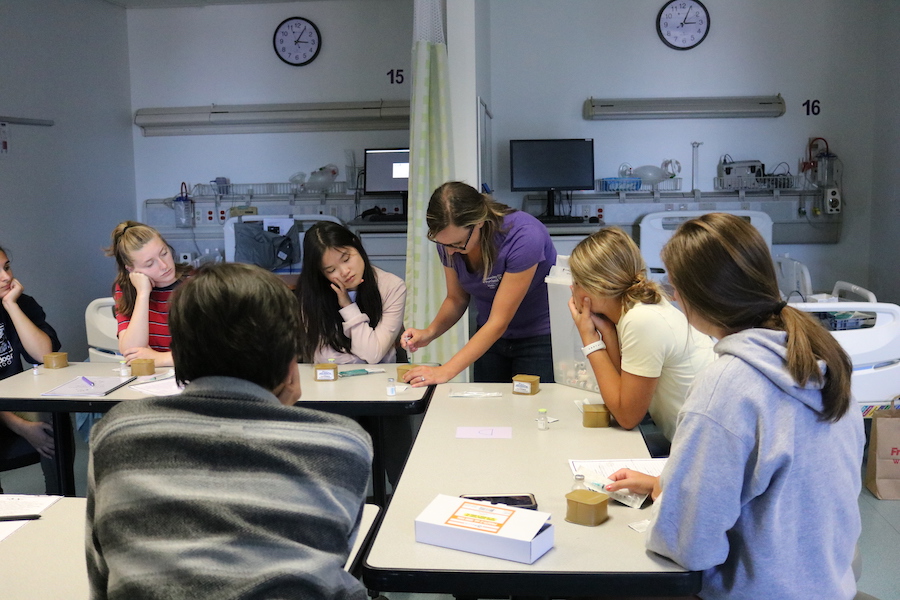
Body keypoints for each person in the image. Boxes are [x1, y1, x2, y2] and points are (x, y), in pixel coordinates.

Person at [606, 213, 864, 600]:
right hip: (827, 584)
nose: (673, 299)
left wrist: (672, 507)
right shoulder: (818, 360)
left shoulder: (727, 384)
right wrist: (667, 487)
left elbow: (688, 547)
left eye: (674, 290)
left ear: (697, 297)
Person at [86, 262, 373, 600]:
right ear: (289, 361)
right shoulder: (343, 444)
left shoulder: (117, 434)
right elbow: (331, 560)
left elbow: (102, 580)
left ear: (178, 350)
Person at [401, 181, 557, 386]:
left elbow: (499, 321)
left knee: (531, 412)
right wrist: (429, 333)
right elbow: (456, 299)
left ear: (479, 222)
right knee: (487, 411)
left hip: (538, 337)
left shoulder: (525, 236)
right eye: (443, 244)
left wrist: (445, 371)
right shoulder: (450, 242)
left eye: (457, 244)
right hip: (489, 337)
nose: (449, 252)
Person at [567, 227, 714, 441]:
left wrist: (590, 340)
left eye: (577, 283)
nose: (572, 289)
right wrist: (607, 332)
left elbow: (627, 416)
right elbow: (623, 390)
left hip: (702, 450)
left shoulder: (642, 320)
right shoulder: (637, 309)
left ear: (596, 287)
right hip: (693, 444)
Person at [0, 244, 67, 494]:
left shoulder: (21, 303)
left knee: (53, 414)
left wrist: (11, 307)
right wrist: (22, 428)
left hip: (10, 400)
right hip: (5, 411)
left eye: (7, 267)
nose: (7, 277)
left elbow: (44, 355)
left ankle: (59, 498)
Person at [296, 221, 406, 364]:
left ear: (356, 244)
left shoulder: (392, 287)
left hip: (381, 379)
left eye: (346, 259)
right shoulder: (313, 293)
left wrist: (348, 306)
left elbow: (373, 354)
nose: (344, 272)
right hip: (332, 382)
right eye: (331, 270)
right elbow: (324, 359)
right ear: (321, 273)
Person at [105, 221, 192, 367]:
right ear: (131, 269)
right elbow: (131, 351)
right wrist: (143, 294)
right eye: (150, 264)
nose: (164, 266)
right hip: (153, 379)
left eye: (164, 253)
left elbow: (217, 352)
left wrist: (161, 358)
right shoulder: (127, 289)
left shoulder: (197, 284)